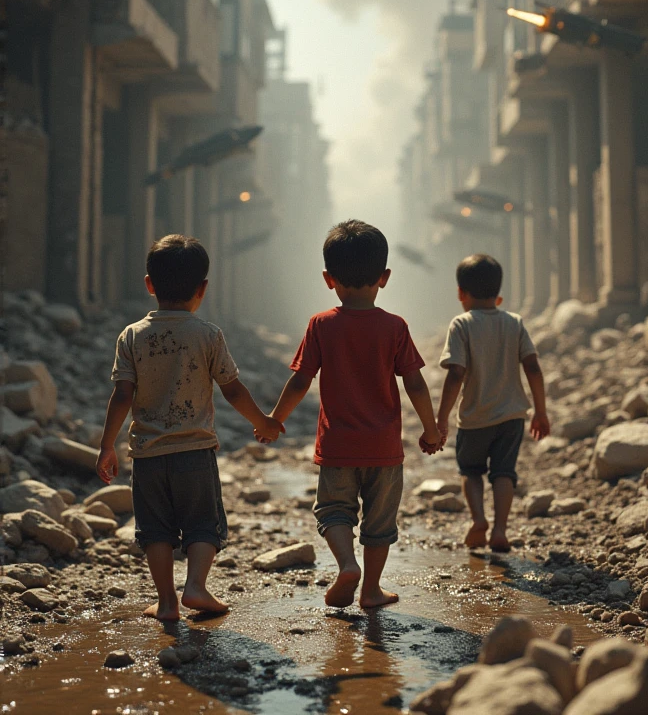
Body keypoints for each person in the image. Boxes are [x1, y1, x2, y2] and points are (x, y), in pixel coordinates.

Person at [96, 234, 283, 621]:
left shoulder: (132, 336)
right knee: (203, 525)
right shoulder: (208, 335)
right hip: (195, 453)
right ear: (203, 289)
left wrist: (107, 446)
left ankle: (167, 602)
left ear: (149, 285)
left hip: (147, 456)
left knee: (156, 531)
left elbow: (122, 395)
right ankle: (196, 586)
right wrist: (262, 421)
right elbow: (232, 389)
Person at [263, 219, 443, 610]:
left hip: (337, 446)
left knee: (333, 511)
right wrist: (431, 429)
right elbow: (414, 383)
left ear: (329, 279)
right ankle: (371, 590)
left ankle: (347, 565)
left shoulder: (321, 325)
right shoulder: (395, 327)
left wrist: (275, 419)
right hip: (383, 448)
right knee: (380, 526)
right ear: (385, 277)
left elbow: (300, 381)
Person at [436, 253, 550, 552]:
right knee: (504, 472)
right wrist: (540, 410)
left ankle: (479, 521)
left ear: (461, 293)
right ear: (499, 294)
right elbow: (533, 368)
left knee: (471, 470)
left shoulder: (461, 324)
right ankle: (500, 529)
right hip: (512, 417)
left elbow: (456, 373)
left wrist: (441, 418)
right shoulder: (514, 323)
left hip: (474, 418)